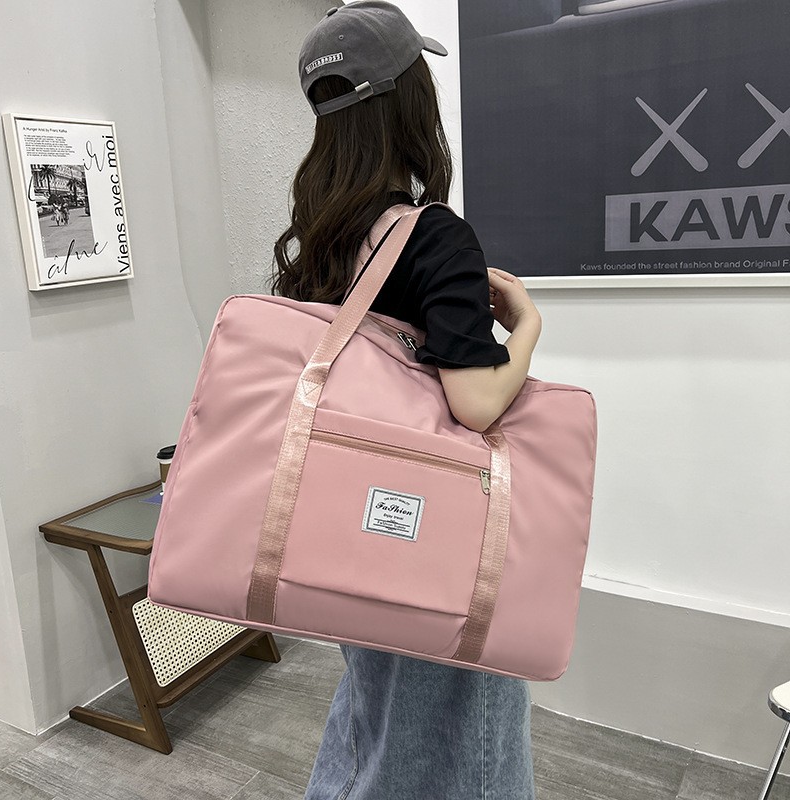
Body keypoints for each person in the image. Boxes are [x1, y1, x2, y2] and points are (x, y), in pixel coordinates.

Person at [273, 2, 543, 797]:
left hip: (344, 527)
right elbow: (477, 403)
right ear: (409, 102)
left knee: (377, 710)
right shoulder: (433, 235)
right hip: (430, 533)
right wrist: (527, 327)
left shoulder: (322, 239)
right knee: (463, 739)